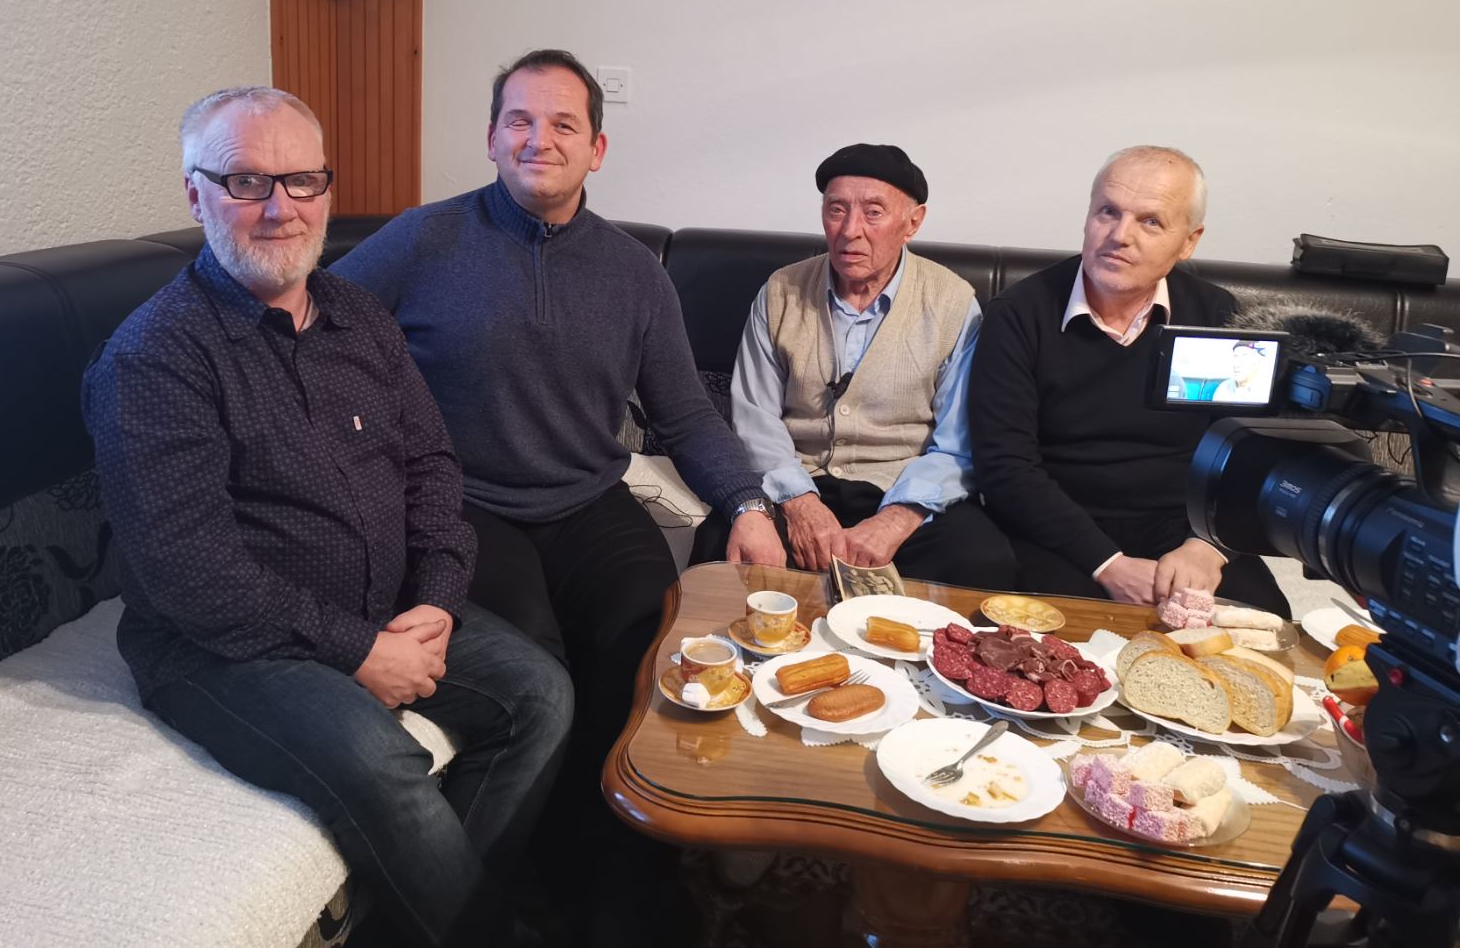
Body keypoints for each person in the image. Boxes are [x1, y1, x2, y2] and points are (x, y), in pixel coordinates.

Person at [82, 87, 572, 948]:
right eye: (246, 181)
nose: (281, 208)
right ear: (195, 194)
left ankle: (447, 920)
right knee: (381, 759)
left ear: (326, 190)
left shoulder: (359, 317)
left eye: (302, 180)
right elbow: (193, 575)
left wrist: (437, 600)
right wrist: (359, 652)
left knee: (541, 695)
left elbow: (432, 466)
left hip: (383, 605)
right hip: (222, 647)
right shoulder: (154, 359)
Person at [331, 48, 783, 944]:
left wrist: (748, 506)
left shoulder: (634, 272)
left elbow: (685, 412)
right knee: (537, 663)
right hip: (462, 506)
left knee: (647, 642)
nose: (539, 139)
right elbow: (319, 330)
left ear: (597, 149)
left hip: (587, 500)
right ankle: (531, 883)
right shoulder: (422, 240)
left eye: (563, 124)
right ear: (491, 138)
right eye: (520, 121)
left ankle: (622, 880)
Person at [968, 145, 1289, 616]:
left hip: (1183, 530)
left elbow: (1251, 456)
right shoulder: (1019, 314)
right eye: (1108, 212)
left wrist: (1209, 547)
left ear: (1189, 241)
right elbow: (1005, 467)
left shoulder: (1221, 317)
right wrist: (1108, 564)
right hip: (1055, 530)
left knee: (1264, 630)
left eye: (1150, 221)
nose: (1120, 236)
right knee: (1055, 642)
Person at [691, 143, 1018, 590]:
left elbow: (958, 444)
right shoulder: (780, 291)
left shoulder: (953, 302)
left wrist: (896, 520)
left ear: (913, 222)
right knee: (719, 547)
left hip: (903, 487)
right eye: (836, 210)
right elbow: (754, 417)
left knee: (984, 561)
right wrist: (800, 505)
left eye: (873, 212)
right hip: (795, 481)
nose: (850, 231)